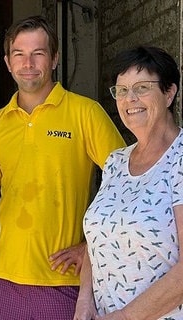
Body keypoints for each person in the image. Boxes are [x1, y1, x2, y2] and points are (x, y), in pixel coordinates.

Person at [0, 15, 126, 320]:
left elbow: (130, 180)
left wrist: (90, 247)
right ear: (7, 62)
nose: (28, 63)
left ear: (54, 59)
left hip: (64, 277)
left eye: (38, 53)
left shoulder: (85, 112)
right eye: (19, 54)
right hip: (4, 275)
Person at [73, 46, 183, 320]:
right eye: (121, 90)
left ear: (169, 93)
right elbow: (97, 240)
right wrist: (84, 302)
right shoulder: (115, 162)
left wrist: (125, 317)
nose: (129, 99)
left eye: (142, 87)